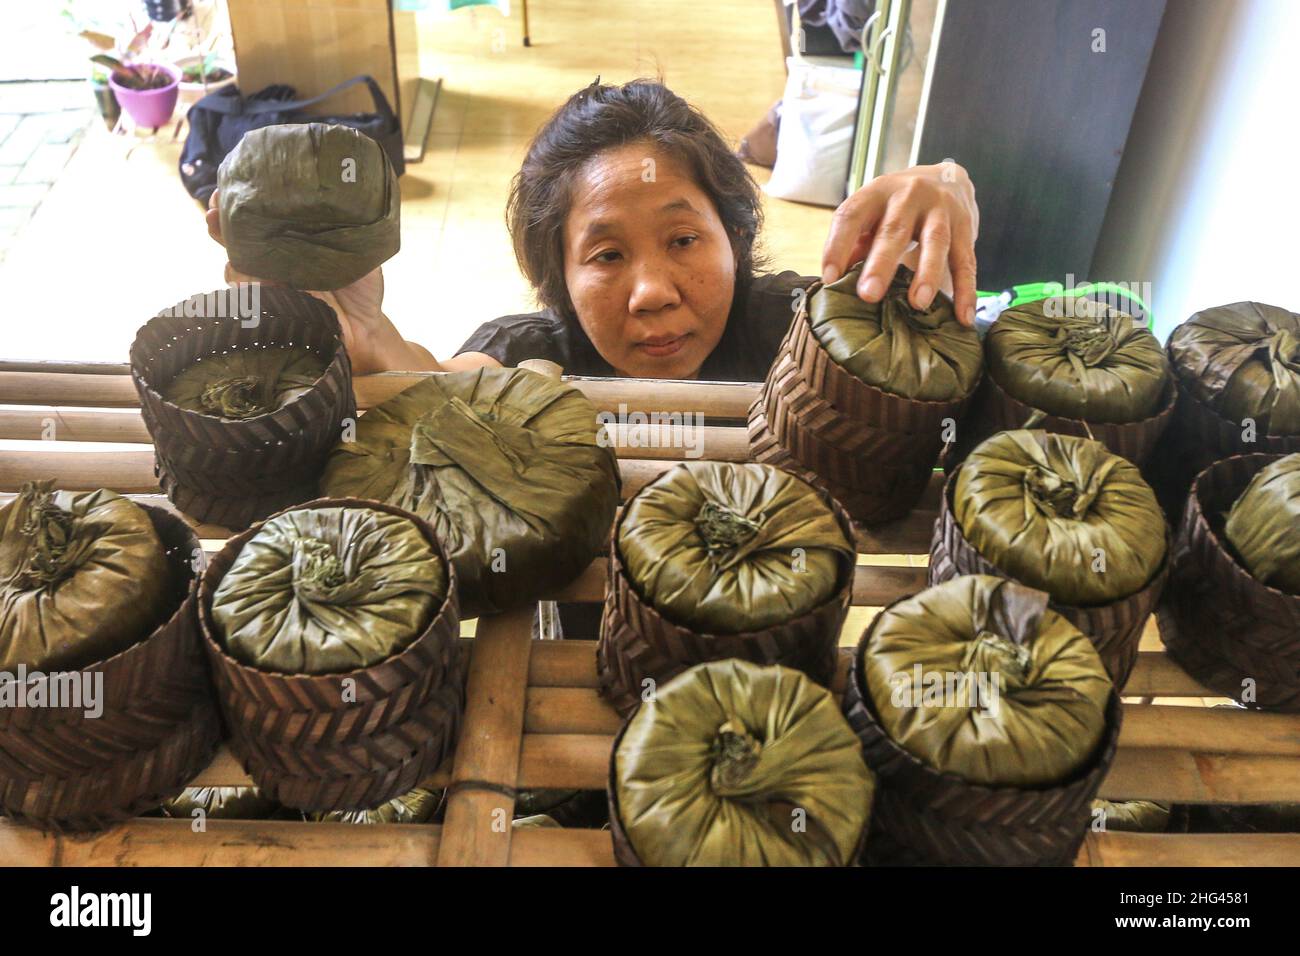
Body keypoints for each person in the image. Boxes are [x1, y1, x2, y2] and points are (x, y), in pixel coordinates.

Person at [204, 77, 979, 379]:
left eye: (684, 240)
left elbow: (941, 331)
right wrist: (362, 327)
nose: (651, 292)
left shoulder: (798, 328)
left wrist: (950, 190)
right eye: (606, 254)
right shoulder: (532, 356)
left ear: (733, 237)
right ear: (558, 281)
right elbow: (437, 387)